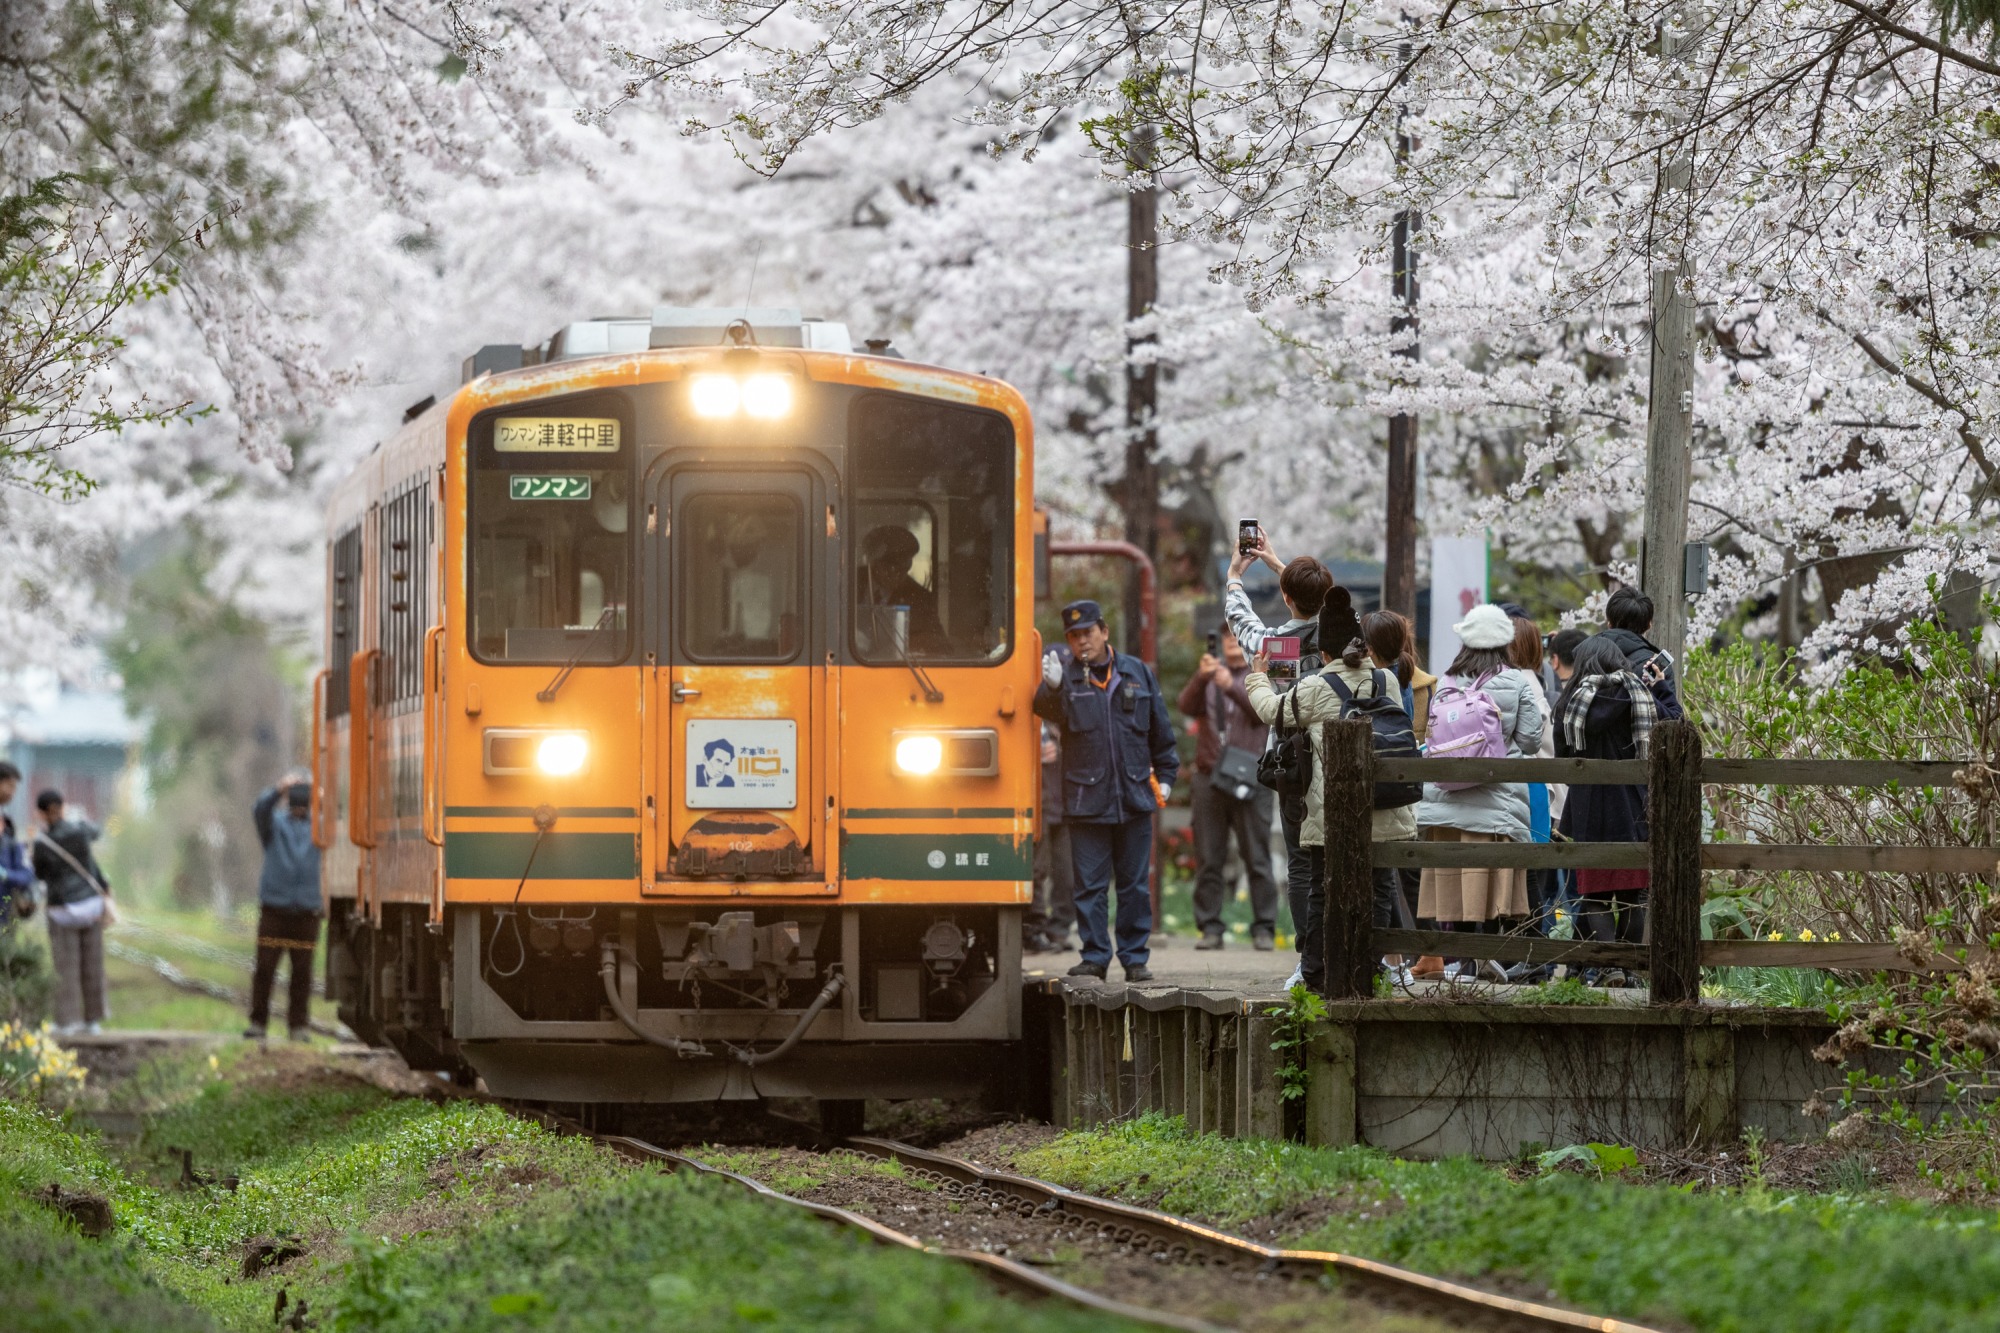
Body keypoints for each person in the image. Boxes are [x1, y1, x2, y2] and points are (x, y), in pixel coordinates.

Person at [1246, 635, 1420, 994]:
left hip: (1331, 812)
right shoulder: (1386, 679)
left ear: (1324, 653)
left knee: (1320, 888)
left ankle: (1314, 971)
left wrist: (1258, 676)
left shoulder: (1314, 687)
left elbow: (1271, 712)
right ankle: (1370, 968)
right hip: (1383, 804)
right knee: (1380, 885)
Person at [1222, 530, 1349, 985]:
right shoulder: (1352, 636)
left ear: (1286, 597)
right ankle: (1362, 957)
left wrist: (1237, 574)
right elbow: (1327, 601)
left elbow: (1242, 623)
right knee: (1350, 858)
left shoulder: (1281, 649)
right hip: (1348, 756)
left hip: (1298, 763)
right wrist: (1282, 567)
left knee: (1301, 863)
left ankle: (1308, 960)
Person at [1035, 600, 1178, 983]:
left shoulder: (1136, 673)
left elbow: (1160, 731)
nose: (1082, 642)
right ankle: (1095, 956)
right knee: (1090, 887)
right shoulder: (1064, 676)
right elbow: (1044, 711)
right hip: (1086, 801)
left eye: (1087, 633)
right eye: (1074, 636)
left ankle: (1134, 958)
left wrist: (1166, 774)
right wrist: (1051, 689)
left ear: (1104, 631)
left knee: (1133, 886)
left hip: (1134, 796)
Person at [1414, 605, 1546, 981]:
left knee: (1458, 878)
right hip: (1497, 800)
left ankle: (1465, 961)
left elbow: (1432, 736)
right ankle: (1487, 956)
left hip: (1448, 802)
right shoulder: (1518, 682)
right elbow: (1531, 741)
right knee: (1489, 879)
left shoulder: (1448, 682)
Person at [1556, 636, 1683, 987]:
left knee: (1594, 892)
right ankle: (1629, 971)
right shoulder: (1639, 697)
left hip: (1587, 807)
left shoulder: (1571, 702)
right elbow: (1675, 720)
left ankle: (1611, 968)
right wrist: (1660, 687)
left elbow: (1561, 758)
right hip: (1633, 806)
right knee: (1632, 893)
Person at [1177, 626, 1279, 951]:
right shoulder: (1210, 674)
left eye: (1237, 637)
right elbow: (1185, 705)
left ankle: (1264, 928)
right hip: (1210, 776)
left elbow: (1261, 711)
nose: (1232, 643)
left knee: (1257, 857)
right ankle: (1210, 928)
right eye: (1227, 638)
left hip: (1252, 776)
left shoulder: (1260, 672)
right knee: (1209, 857)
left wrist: (1230, 686)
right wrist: (1201, 675)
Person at [247, 775, 323, 1040]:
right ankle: (258, 1023)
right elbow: (260, 809)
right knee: (265, 969)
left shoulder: (319, 828)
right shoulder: (274, 824)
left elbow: (337, 819)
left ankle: (298, 1026)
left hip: (307, 912)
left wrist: (322, 795)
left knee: (302, 973)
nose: (300, 801)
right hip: (274, 910)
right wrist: (278, 788)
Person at [31, 790, 111, 1034]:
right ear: (63, 807)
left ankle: (66, 1022)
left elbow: (40, 874)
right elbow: (97, 832)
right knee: (92, 964)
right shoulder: (80, 831)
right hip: (90, 906)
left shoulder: (42, 843)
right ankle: (92, 1021)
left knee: (65, 967)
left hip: (62, 910)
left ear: (41, 813)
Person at [1025, 720, 1078, 953]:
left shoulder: (1066, 723)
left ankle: (1058, 929)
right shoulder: (1030, 725)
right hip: (1038, 806)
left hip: (1066, 806)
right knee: (1037, 870)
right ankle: (1033, 931)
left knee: (1068, 873)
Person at [858, 524, 946, 654]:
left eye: (905, 568)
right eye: (892, 567)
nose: (899, 575)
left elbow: (941, 646)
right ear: (875, 563)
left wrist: (911, 646)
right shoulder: (850, 581)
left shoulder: (919, 598)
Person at [1600, 587, 1681, 710]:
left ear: (1609, 623)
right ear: (1649, 625)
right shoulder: (1656, 668)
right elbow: (1668, 720)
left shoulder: (1587, 655)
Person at [0, 763, 35, 928]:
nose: (13, 792)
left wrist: (6, 875)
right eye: (10, 786)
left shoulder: (8, 826)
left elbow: (26, 874)